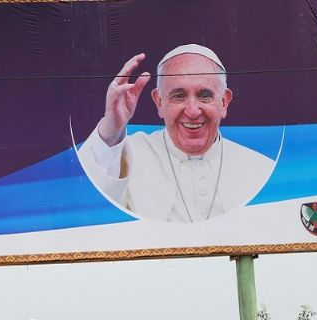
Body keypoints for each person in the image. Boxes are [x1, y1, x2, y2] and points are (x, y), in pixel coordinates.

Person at [78, 44, 275, 223]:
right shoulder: (129, 154)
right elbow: (89, 204)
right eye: (178, 96)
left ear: (224, 102)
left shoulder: (259, 168)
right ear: (159, 103)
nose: (192, 111)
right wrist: (111, 130)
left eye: (204, 96)